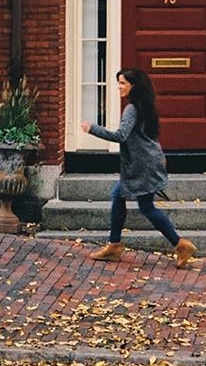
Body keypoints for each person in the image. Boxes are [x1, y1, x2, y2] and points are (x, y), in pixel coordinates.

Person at [83, 66, 196, 267]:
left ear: (133, 86)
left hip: (142, 165)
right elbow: (148, 137)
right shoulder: (145, 105)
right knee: (119, 196)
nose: (119, 87)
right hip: (147, 161)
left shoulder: (132, 109)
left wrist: (93, 129)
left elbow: (120, 136)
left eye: (123, 83)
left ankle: (180, 244)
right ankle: (114, 244)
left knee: (146, 207)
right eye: (118, 82)